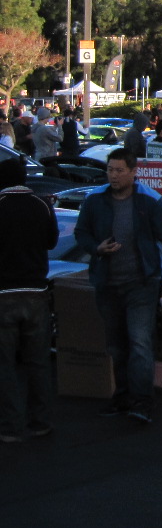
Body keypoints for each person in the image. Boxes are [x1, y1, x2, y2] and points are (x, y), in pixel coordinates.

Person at [73, 148, 162, 424]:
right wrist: (96, 248)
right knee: (117, 345)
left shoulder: (150, 200)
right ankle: (122, 397)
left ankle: (142, 401)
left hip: (141, 283)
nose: (114, 175)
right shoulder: (95, 199)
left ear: (133, 172)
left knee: (139, 342)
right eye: (110, 170)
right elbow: (81, 232)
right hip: (107, 284)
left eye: (119, 170)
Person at [0, 156, 58, 441]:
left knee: (5, 364)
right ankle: (40, 421)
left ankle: (10, 426)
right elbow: (51, 241)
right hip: (36, 292)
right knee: (38, 362)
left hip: (4, 294)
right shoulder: (41, 205)